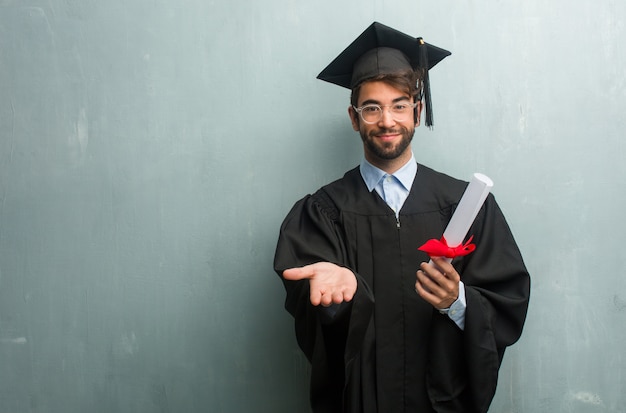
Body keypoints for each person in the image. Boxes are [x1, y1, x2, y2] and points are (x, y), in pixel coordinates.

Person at [273, 22, 530, 413]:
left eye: (399, 105)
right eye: (372, 108)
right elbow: (313, 323)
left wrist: (457, 301)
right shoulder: (323, 213)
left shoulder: (466, 205)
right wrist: (340, 298)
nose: (387, 120)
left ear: (417, 110)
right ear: (354, 117)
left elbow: (507, 302)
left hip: (442, 402)